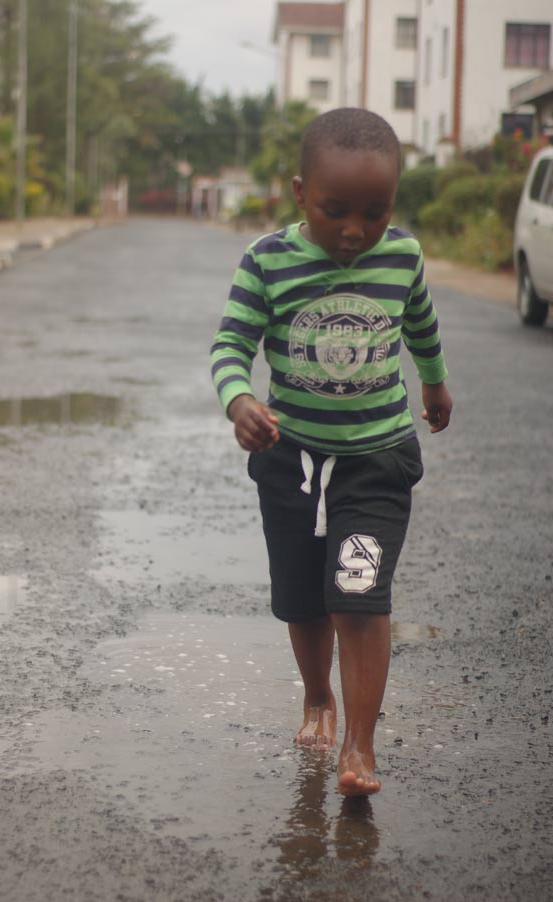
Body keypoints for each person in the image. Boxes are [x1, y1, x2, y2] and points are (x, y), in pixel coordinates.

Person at [210, 107, 452, 797]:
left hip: (376, 460)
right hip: (293, 460)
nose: (354, 230)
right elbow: (230, 346)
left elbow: (420, 323)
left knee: (359, 594)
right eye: (334, 210)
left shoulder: (401, 255)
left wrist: (433, 382)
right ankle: (318, 694)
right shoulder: (267, 261)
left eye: (374, 212)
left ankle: (360, 748)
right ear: (298, 193)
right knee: (304, 597)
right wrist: (240, 400)